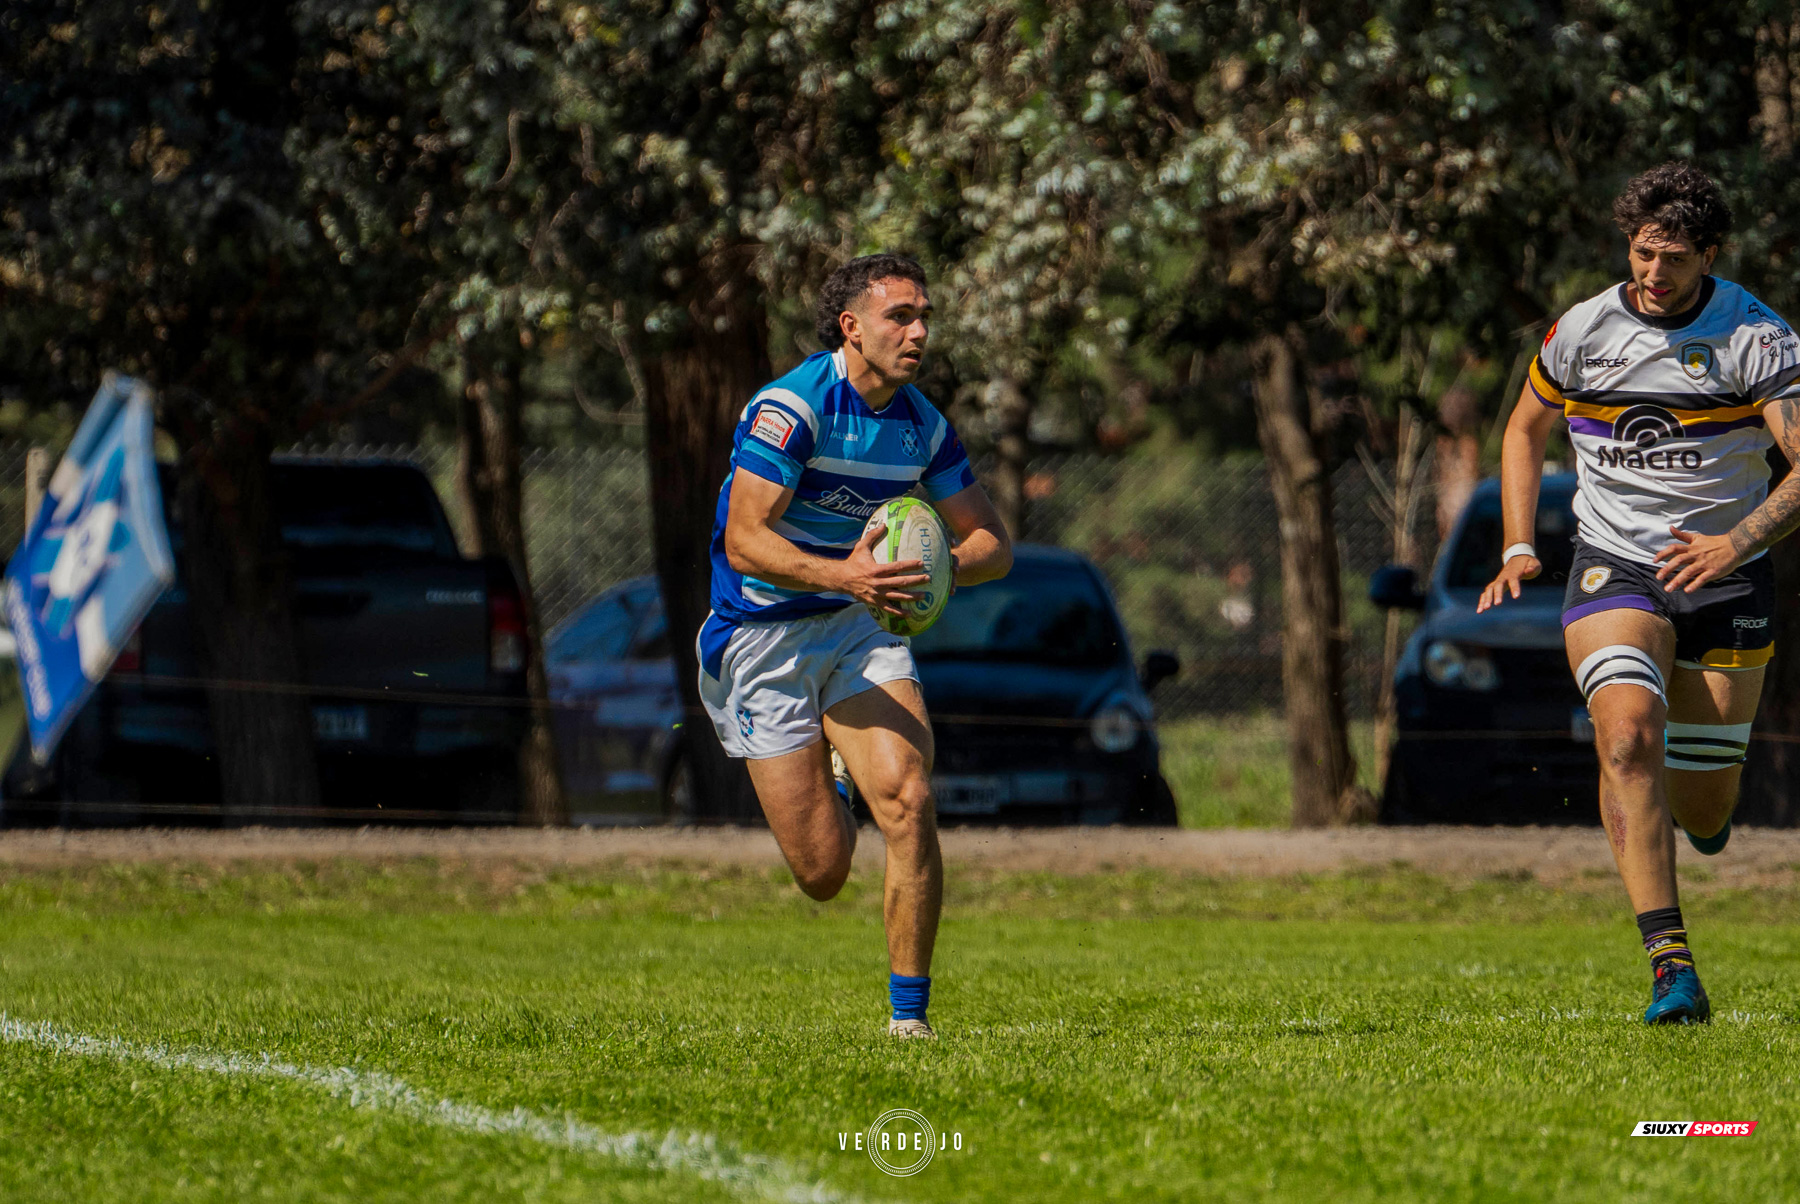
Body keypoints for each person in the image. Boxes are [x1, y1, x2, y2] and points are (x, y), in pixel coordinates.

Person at [1480, 162, 1800, 1024]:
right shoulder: (1584, 329)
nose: (1654, 274)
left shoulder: (1757, 339)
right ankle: (1671, 967)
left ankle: (1703, 815)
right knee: (1625, 741)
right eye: (1642, 253)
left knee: (1705, 799)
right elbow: (1523, 427)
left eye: (1676, 259)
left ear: (1712, 256)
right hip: (1612, 563)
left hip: (1728, 576)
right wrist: (1517, 544)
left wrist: (1736, 540)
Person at [698, 253, 1013, 1038]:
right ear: (852, 328)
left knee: (910, 800)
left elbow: (992, 544)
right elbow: (744, 541)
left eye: (924, 316)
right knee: (822, 873)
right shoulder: (793, 409)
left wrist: (936, 566)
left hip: (858, 627)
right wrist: (849, 576)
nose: (919, 332)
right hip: (763, 635)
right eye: (900, 317)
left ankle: (910, 1020)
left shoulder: (922, 427)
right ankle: (836, 787)